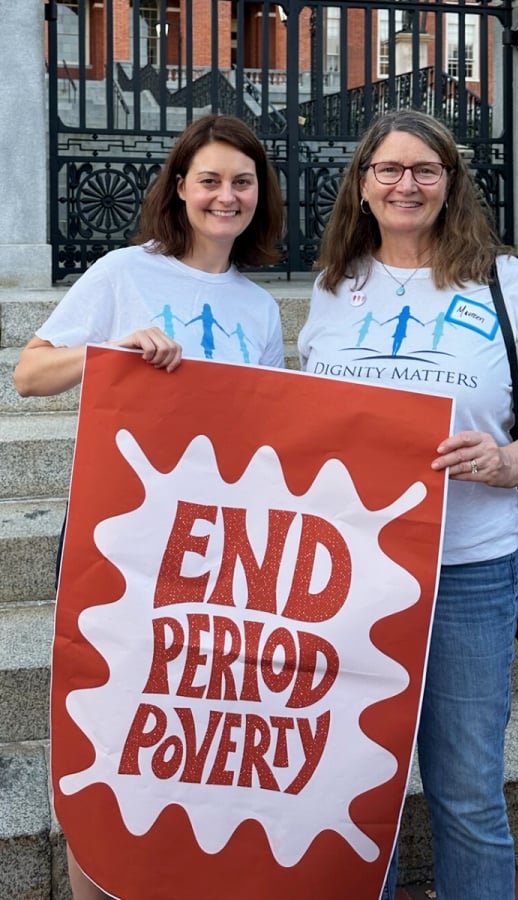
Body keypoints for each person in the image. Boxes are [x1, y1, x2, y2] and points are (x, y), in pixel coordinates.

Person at [297, 109, 518, 900]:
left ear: (451, 184)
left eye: (425, 169)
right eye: (388, 169)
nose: (406, 184)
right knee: (360, 801)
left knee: (467, 797)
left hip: (468, 573)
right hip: (349, 578)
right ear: (362, 186)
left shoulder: (502, 280)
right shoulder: (333, 288)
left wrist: (502, 461)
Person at [14, 112, 285, 900]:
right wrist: (114, 352)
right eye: (209, 180)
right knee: (110, 728)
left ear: (259, 195)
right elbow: (29, 375)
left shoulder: (258, 309)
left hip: (214, 549)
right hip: (121, 534)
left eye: (242, 181)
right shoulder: (122, 272)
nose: (225, 196)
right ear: (179, 187)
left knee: (186, 724)